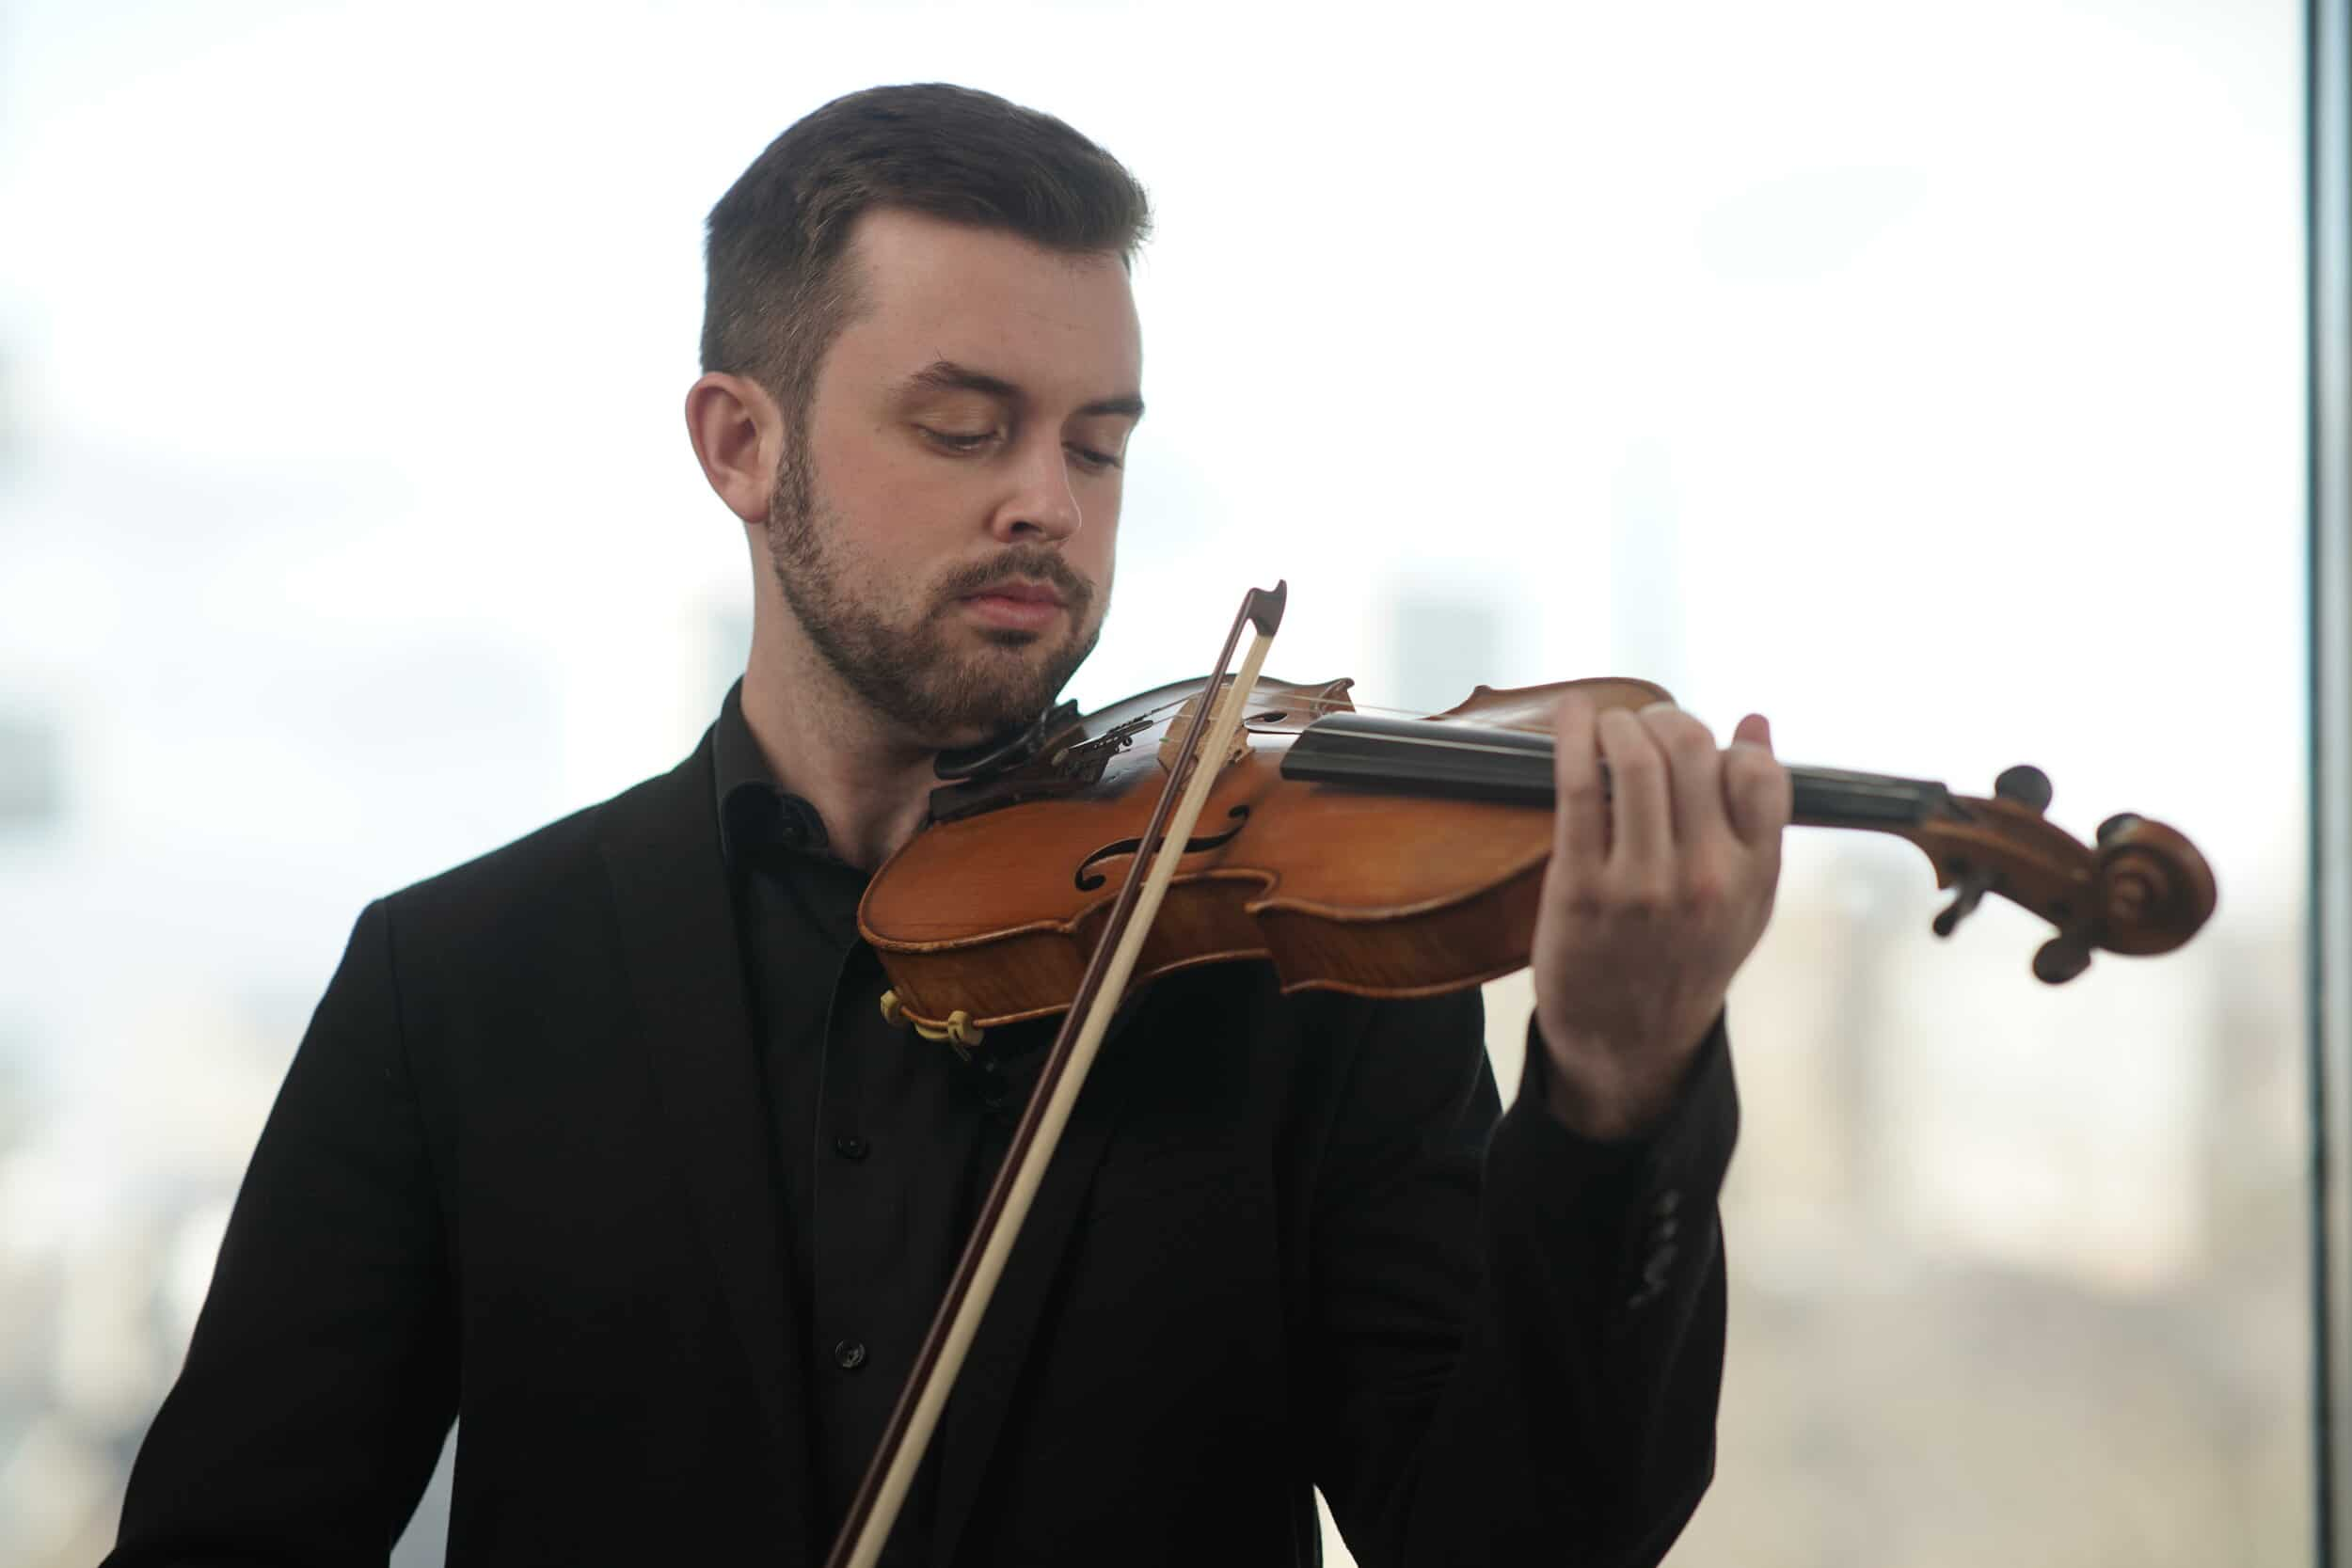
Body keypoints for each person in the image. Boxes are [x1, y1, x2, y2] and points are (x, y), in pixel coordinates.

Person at [104, 83, 1788, 1567]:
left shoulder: (1303, 961)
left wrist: (1619, 1097)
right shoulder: (454, 985)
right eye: (965, 427)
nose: (1046, 501)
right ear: (741, 442)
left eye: (1099, 447)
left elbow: (1525, 1540)